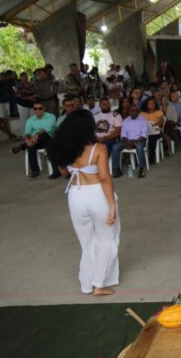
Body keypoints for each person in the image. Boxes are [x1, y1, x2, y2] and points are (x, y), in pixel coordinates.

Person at [47, 110, 120, 295]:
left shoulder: (62, 148)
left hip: (76, 194)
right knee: (107, 239)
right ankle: (99, 285)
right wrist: (112, 205)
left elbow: (64, 173)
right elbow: (104, 178)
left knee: (86, 243)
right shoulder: (98, 149)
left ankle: (86, 284)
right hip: (97, 194)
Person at [11, 101, 59, 179]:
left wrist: (36, 134)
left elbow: (47, 129)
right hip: (36, 141)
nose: (38, 110)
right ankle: (35, 171)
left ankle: (22, 146)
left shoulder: (51, 117)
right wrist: (27, 140)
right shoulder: (31, 120)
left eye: (40, 108)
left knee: (42, 135)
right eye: (35, 108)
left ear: (44, 109)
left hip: (49, 139)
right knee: (31, 145)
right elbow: (27, 133)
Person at [111, 104, 149, 178]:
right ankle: (117, 169)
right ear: (129, 112)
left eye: (136, 111)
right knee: (115, 147)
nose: (134, 112)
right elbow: (123, 135)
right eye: (132, 111)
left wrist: (134, 142)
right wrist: (127, 142)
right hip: (127, 141)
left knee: (138, 146)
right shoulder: (125, 121)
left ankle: (141, 169)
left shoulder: (143, 120)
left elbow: (144, 135)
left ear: (138, 111)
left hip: (139, 141)